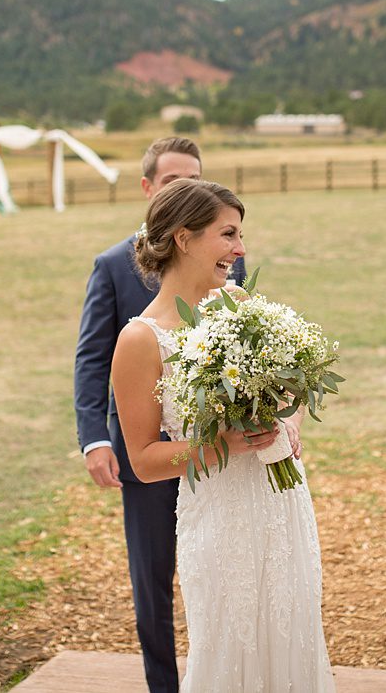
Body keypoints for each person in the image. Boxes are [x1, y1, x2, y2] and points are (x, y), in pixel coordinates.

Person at [112, 179, 334, 689]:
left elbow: (292, 389)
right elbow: (142, 460)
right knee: (229, 648)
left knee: (293, 636)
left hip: (283, 505)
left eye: (240, 235)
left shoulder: (238, 303)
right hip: (218, 519)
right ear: (184, 238)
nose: (240, 249)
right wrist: (221, 445)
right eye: (228, 234)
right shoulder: (141, 340)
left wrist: (288, 421)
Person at [73, 137, 245, 693]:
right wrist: (94, 438)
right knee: (152, 574)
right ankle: (164, 685)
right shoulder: (111, 265)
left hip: (221, 453)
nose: (186, 188)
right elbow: (93, 357)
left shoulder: (227, 265)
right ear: (149, 188)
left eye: (194, 178)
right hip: (144, 440)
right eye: (174, 181)